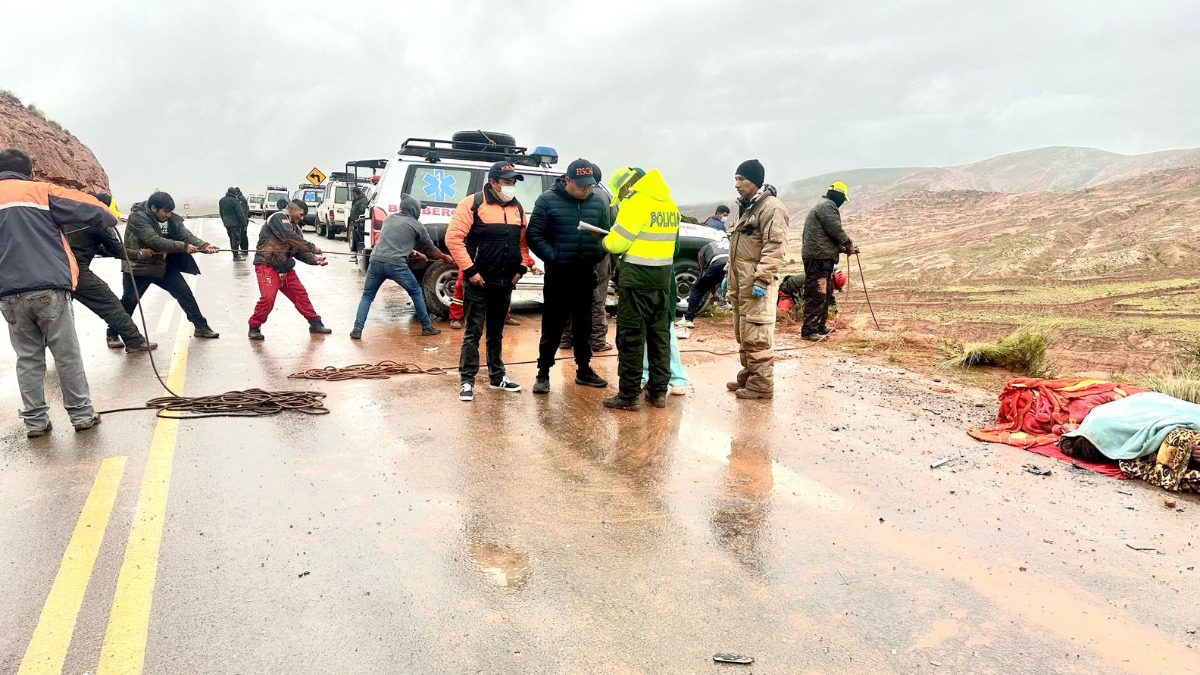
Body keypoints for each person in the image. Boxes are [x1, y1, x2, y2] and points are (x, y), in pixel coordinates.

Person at [0, 148, 109, 436]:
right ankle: (82, 415)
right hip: (48, 289)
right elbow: (94, 207)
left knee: (28, 358)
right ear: (28, 171)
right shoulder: (40, 192)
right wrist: (108, 218)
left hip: (8, 294)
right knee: (66, 354)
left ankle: (35, 422)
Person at [445, 161, 533, 401]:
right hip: (479, 282)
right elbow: (453, 238)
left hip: (505, 283)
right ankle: (467, 380)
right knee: (473, 332)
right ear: (493, 182)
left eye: (514, 182)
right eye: (507, 182)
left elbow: (523, 243)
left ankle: (497, 377)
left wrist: (522, 269)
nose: (511, 186)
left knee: (496, 333)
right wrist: (471, 271)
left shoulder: (517, 209)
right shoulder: (472, 204)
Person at [596, 167, 679, 411]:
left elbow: (617, 242)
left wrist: (603, 240)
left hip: (637, 282)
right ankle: (658, 392)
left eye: (620, 193)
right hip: (662, 282)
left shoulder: (636, 203)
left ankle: (629, 395)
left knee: (631, 337)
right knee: (659, 337)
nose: (620, 198)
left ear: (627, 186)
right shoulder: (669, 203)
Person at [527, 158, 611, 395]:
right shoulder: (547, 200)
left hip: (586, 273)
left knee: (584, 326)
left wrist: (597, 252)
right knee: (552, 326)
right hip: (558, 275)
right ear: (567, 181)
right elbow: (534, 235)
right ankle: (543, 373)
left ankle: (584, 370)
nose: (586, 190)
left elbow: (605, 235)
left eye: (589, 186)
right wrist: (553, 257)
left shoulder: (597, 201)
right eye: (581, 185)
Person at [117, 191, 220, 340]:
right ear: (153, 208)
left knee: (184, 293)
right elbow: (153, 240)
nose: (168, 215)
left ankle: (201, 327)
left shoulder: (170, 219)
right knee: (129, 302)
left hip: (162, 266)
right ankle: (112, 334)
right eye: (165, 211)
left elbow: (186, 236)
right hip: (138, 267)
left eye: (170, 211)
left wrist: (205, 246)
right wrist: (183, 247)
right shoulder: (137, 218)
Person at [727, 159, 790, 400]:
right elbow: (739, 248)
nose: (736, 184)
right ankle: (751, 374)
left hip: (755, 284)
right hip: (740, 283)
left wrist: (762, 280)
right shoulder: (748, 207)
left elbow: (775, 247)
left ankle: (762, 384)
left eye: (741, 179)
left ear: (755, 180)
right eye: (735, 179)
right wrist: (727, 274)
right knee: (743, 332)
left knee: (756, 333)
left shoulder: (772, 208)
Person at [67, 192, 158, 352]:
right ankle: (134, 341)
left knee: (56, 316)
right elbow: (117, 249)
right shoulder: (97, 220)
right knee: (110, 304)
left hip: (52, 271)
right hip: (75, 271)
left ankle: (43, 352)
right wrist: (139, 254)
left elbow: (93, 245)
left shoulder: (70, 215)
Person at [352, 194, 451, 339]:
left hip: (375, 261)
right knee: (416, 292)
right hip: (396, 265)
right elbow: (432, 250)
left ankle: (357, 329)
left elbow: (393, 242)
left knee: (367, 296)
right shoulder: (417, 226)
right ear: (414, 209)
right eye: (419, 209)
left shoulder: (390, 219)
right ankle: (426, 327)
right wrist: (445, 257)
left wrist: (415, 253)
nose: (420, 212)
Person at [247, 199, 330, 340]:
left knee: (300, 295)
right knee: (268, 297)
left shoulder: (297, 229)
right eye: (301, 214)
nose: (302, 218)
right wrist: (311, 247)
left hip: (285, 267)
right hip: (267, 265)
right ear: (291, 209)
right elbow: (287, 237)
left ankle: (315, 323)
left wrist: (314, 260)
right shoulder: (278, 218)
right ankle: (254, 326)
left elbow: (299, 252)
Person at [559, 162, 615, 353]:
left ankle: (566, 339)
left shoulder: (568, 193)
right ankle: (598, 341)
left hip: (573, 255)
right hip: (598, 255)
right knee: (597, 300)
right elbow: (613, 229)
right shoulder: (606, 197)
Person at [801, 181, 856, 340]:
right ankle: (809, 331)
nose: (842, 204)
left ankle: (819, 326)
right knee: (817, 293)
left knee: (825, 293)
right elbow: (834, 229)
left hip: (822, 256)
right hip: (818, 258)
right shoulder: (827, 206)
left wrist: (843, 248)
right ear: (839, 196)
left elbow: (825, 237)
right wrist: (848, 244)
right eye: (843, 200)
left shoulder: (824, 205)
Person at [678, 233, 729, 327]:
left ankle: (688, 319)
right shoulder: (730, 243)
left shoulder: (705, 248)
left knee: (698, 289)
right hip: (732, 263)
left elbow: (703, 270)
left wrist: (710, 288)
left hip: (717, 263)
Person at [219, 186, 249, 260]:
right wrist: (244, 223)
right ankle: (236, 256)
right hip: (235, 223)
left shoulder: (222, 200)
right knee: (236, 239)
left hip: (227, 223)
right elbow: (240, 213)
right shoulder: (235, 200)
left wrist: (224, 220)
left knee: (231, 239)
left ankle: (234, 253)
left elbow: (221, 212)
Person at [347, 186, 368, 263]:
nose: (351, 194)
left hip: (360, 224)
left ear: (355, 193)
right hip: (355, 223)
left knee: (361, 240)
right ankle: (357, 255)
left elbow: (362, 212)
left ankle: (361, 256)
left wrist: (358, 220)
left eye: (352, 192)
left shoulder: (362, 201)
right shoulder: (356, 200)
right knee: (357, 241)